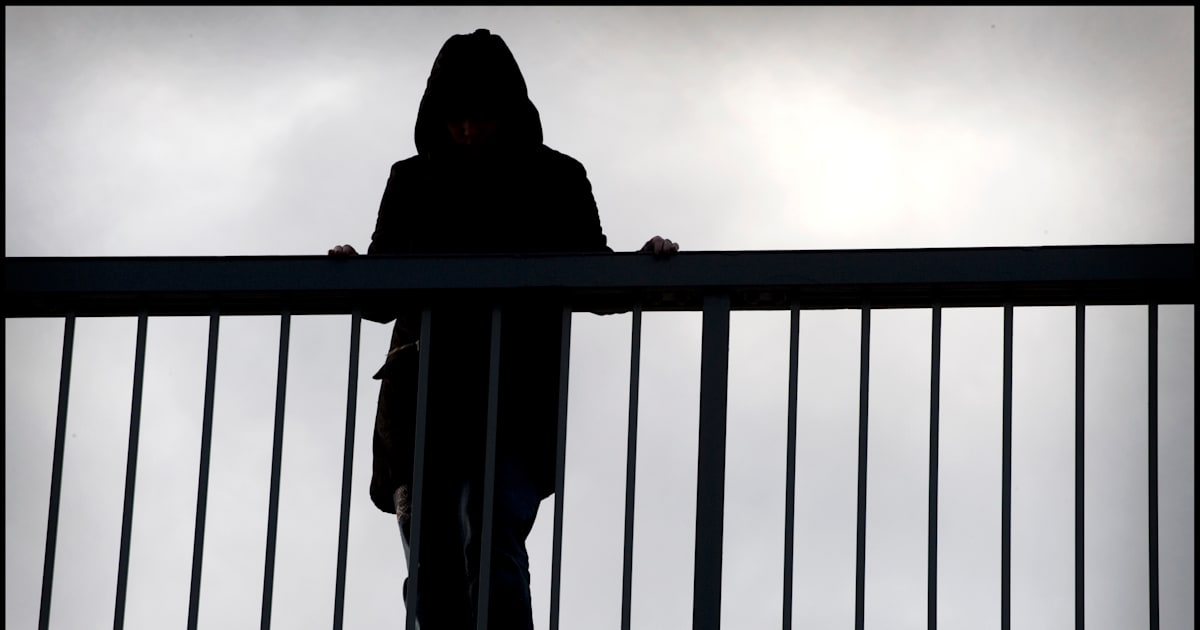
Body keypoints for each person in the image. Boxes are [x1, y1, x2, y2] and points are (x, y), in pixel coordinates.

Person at [328, 29, 677, 629]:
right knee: (433, 568)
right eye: (455, 117)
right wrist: (350, 272)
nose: (467, 129)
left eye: (481, 115)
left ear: (509, 112)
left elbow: (595, 279)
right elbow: (381, 299)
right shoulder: (412, 180)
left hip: (513, 401)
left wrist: (646, 267)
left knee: (493, 550)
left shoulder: (555, 179)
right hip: (423, 404)